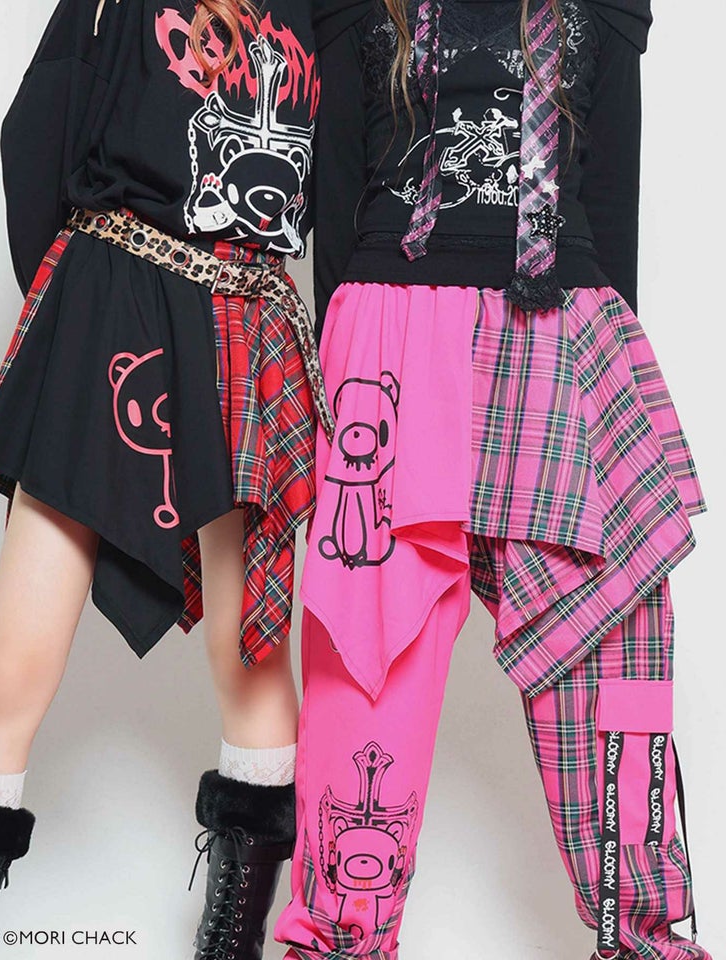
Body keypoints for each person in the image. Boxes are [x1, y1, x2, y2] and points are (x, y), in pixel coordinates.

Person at [273, 1, 713, 958]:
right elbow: (335, 201)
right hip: (389, 341)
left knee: (614, 652)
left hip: (559, 329)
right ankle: (341, 936)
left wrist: (603, 375)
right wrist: (343, 384)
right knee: (368, 656)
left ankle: (644, 934)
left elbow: (612, 198)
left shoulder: (602, 9)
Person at [0, 1, 333, 958]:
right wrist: (83, 308)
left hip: (247, 328)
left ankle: (229, 945)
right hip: (114, 300)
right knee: (16, 659)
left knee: (254, 663)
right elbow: (37, 134)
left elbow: (345, 185)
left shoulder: (333, 14)